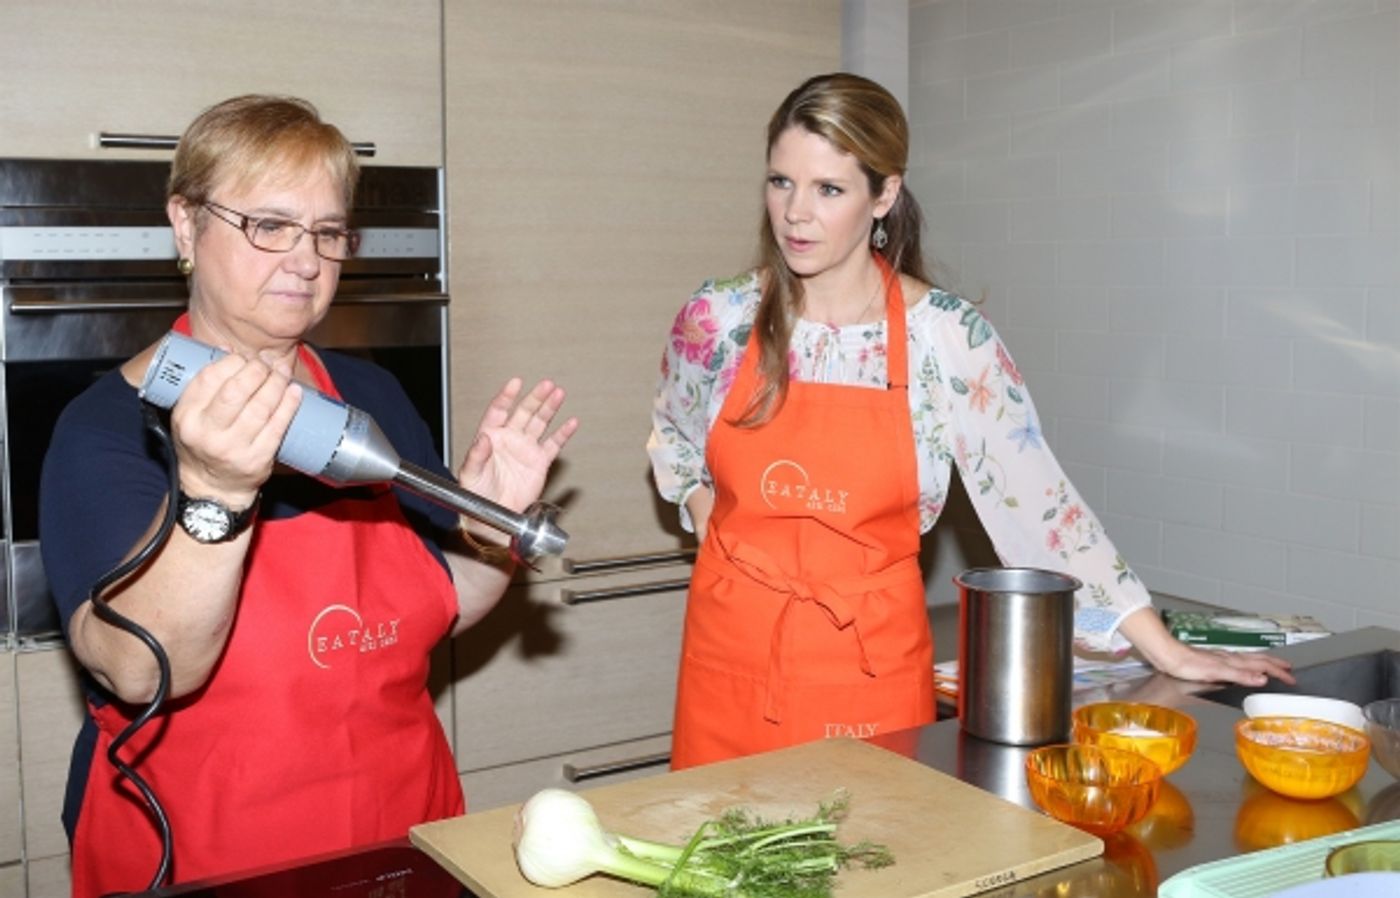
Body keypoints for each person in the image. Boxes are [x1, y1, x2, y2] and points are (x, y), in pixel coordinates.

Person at [646, 72, 1292, 770]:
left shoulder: (947, 339)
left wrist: (1164, 650)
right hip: (734, 659)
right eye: (780, 182)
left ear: (884, 193)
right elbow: (673, 435)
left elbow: (1044, 508)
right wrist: (712, 517)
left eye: (828, 189)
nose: (795, 213)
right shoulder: (718, 318)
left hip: (869, 674)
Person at [39, 95, 578, 897]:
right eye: (269, 225)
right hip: (210, 858)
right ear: (185, 226)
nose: (305, 259)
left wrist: (487, 528)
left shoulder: (370, 399)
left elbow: (444, 604)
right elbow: (140, 670)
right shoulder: (106, 431)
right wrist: (215, 491)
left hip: (403, 839)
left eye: (328, 232)